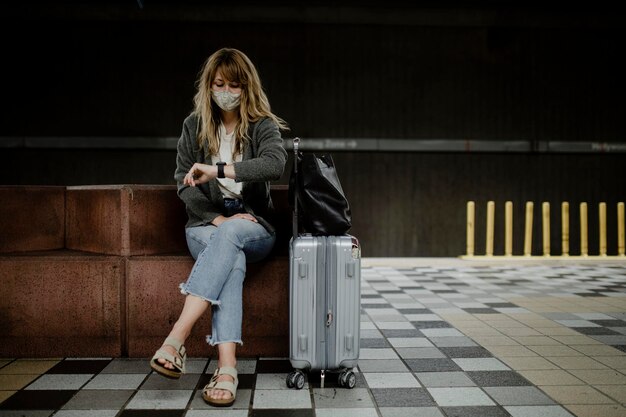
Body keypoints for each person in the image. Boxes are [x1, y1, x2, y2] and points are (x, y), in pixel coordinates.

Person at [150, 47, 288, 407]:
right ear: (208, 86)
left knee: (233, 239)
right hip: (206, 224)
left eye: (234, 84)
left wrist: (220, 170)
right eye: (219, 83)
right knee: (231, 256)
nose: (226, 91)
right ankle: (227, 368)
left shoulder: (263, 125)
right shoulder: (193, 126)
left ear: (247, 87)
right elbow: (184, 183)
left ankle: (177, 338)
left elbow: (274, 164)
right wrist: (218, 219)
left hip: (253, 224)